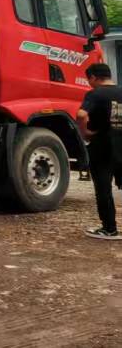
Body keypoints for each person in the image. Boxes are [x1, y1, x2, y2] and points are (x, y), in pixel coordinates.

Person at [77, 61, 122, 240]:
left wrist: (85, 132)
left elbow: (81, 114)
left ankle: (109, 229)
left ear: (94, 77)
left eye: (89, 80)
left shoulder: (95, 93)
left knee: (103, 188)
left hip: (102, 146)